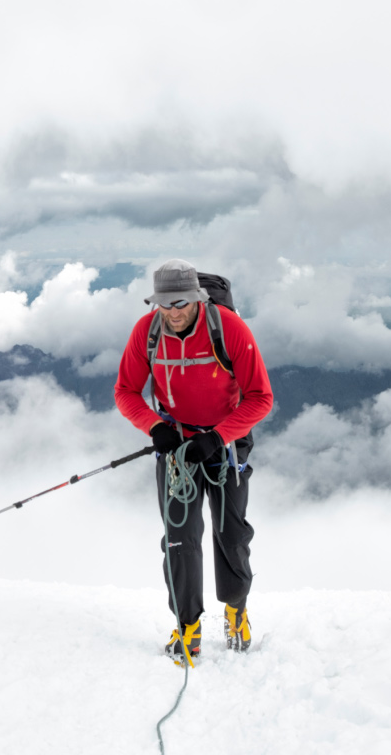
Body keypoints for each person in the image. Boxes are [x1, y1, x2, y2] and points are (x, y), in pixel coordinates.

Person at [115, 259, 273, 663]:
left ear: (199, 297)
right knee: (179, 540)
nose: (173, 312)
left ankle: (236, 610)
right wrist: (154, 427)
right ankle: (188, 627)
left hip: (227, 443)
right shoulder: (146, 333)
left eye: (181, 302)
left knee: (231, 534)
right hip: (177, 448)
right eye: (163, 304)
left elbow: (260, 398)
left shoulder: (227, 328)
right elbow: (126, 391)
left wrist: (218, 437)